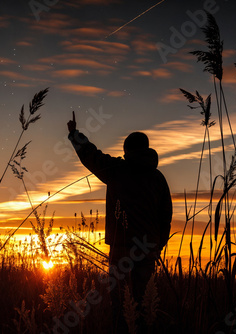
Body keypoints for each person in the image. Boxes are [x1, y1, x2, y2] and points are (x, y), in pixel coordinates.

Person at [67, 111, 172, 333]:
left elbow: (91, 155)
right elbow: (166, 216)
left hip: (121, 249)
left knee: (121, 303)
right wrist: (158, 244)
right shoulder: (158, 178)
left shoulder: (117, 170)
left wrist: (75, 135)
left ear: (127, 151)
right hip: (148, 250)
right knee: (144, 303)